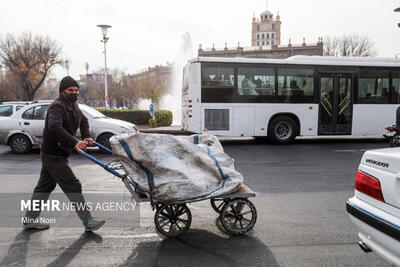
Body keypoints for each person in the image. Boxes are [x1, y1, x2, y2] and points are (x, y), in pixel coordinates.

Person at [23, 76, 105, 231]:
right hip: (53, 154)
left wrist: (86, 135)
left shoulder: (73, 105)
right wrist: (74, 141)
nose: (74, 93)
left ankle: (29, 219)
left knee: (43, 188)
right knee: (73, 184)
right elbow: (54, 127)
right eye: (70, 90)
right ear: (62, 91)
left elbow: (84, 120)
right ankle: (88, 221)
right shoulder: (57, 106)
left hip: (58, 153)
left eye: (76, 90)